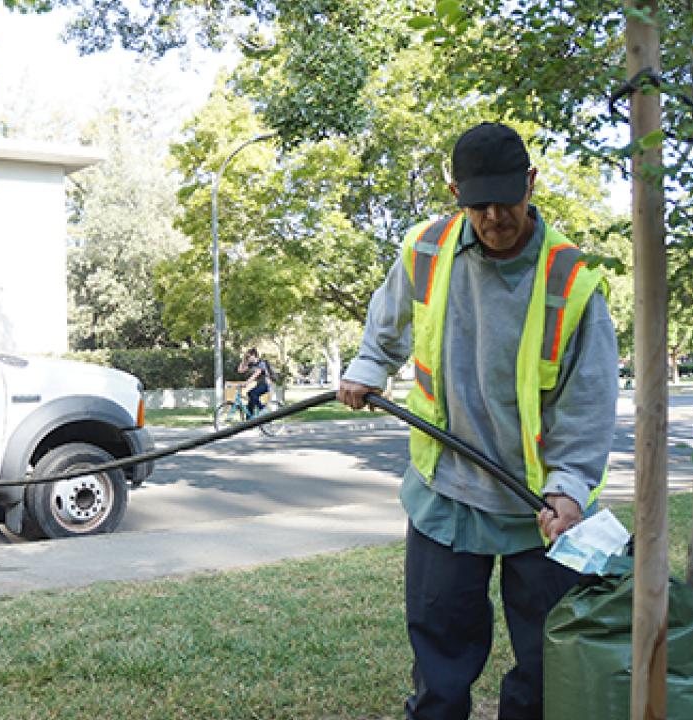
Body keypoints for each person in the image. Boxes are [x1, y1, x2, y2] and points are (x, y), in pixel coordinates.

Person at [337, 122, 619, 720]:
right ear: (454, 193)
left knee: (546, 665)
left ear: (532, 184)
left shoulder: (572, 280)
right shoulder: (426, 248)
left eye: (507, 199)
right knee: (440, 656)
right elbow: (385, 324)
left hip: (538, 508)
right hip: (447, 495)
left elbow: (587, 403)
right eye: (478, 202)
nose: (495, 216)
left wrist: (568, 489)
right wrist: (368, 366)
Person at [237, 348, 272, 412]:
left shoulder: (261, 363)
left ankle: (263, 409)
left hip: (266, 384)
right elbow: (240, 370)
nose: (248, 358)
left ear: (254, 355)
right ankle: (250, 419)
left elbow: (256, 374)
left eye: (248, 356)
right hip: (260, 384)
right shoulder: (251, 364)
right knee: (250, 396)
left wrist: (246, 383)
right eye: (247, 357)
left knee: (253, 394)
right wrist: (243, 360)